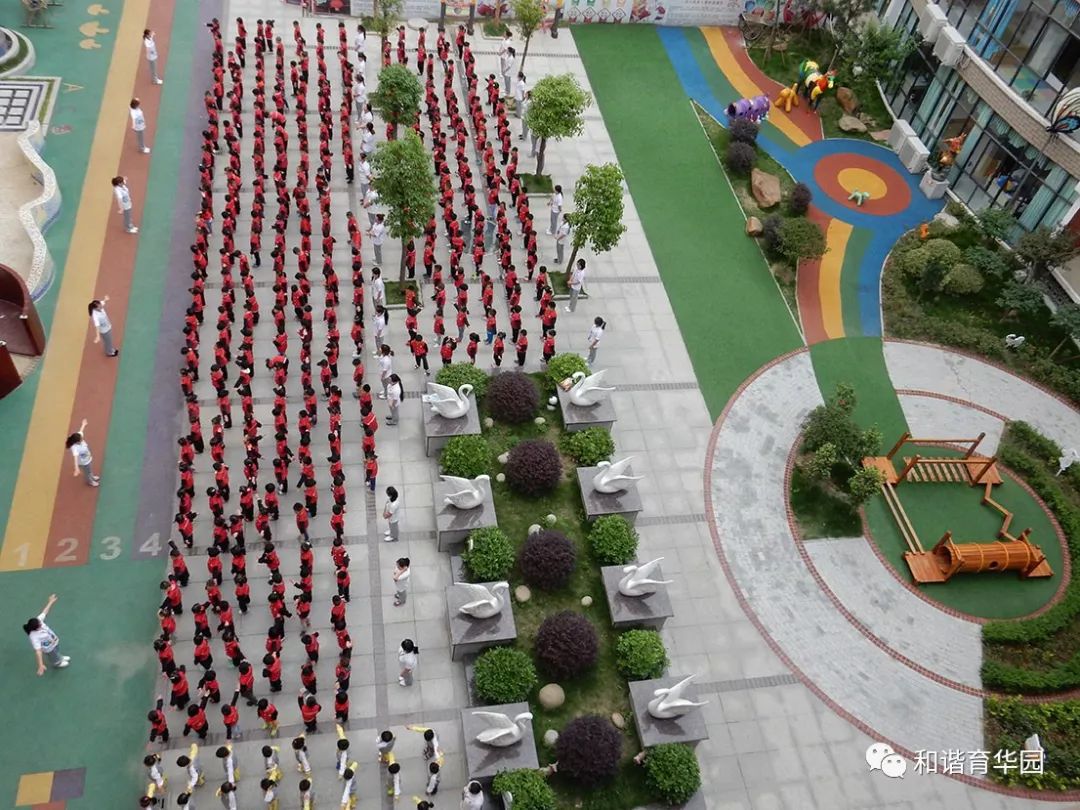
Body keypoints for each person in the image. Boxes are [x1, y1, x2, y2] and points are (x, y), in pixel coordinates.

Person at [24, 593, 69, 674]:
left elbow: (45, 612)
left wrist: (50, 602)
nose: (41, 623)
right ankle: (57, 663)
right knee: (53, 655)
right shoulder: (33, 637)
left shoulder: (38, 620)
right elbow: (38, 651)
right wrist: (40, 665)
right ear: (35, 628)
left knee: (56, 650)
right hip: (49, 648)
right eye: (39, 625)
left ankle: (60, 657)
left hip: (54, 641)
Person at [66, 418, 100, 486]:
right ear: (76, 442)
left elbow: (81, 431)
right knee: (87, 472)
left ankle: (92, 477)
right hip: (84, 463)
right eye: (81, 439)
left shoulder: (78, 436)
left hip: (88, 459)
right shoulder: (75, 448)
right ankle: (90, 481)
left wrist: (83, 424)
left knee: (89, 470)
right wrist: (76, 468)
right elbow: (75, 458)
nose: (82, 439)